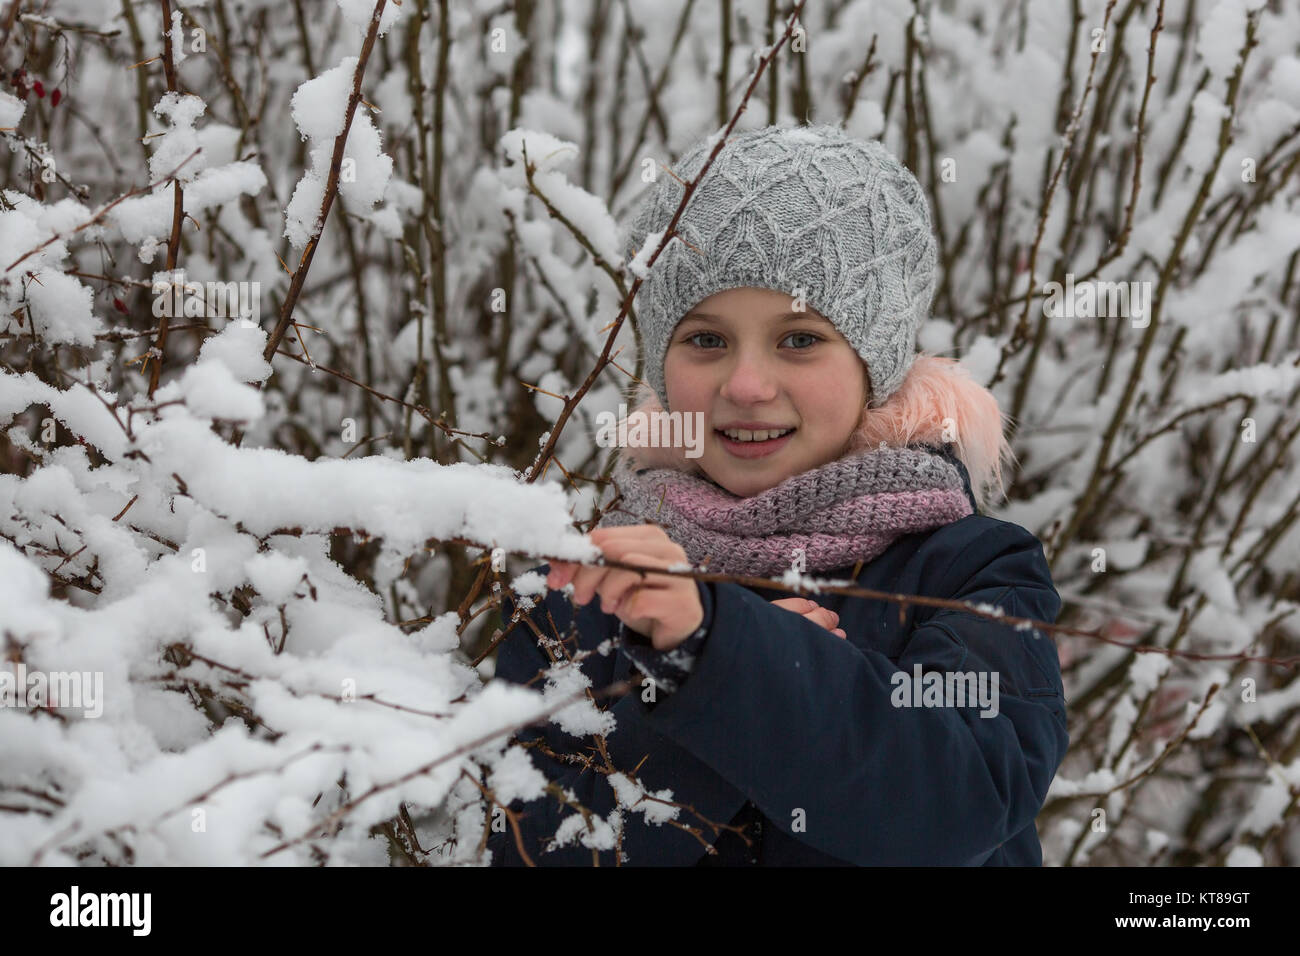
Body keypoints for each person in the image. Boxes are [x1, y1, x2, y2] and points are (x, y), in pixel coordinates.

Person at [485, 124, 1068, 866]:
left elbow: (961, 801)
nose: (746, 386)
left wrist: (733, 659)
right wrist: (690, 673)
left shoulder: (973, 571)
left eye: (798, 340)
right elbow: (534, 847)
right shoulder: (584, 589)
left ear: (875, 362)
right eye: (705, 340)